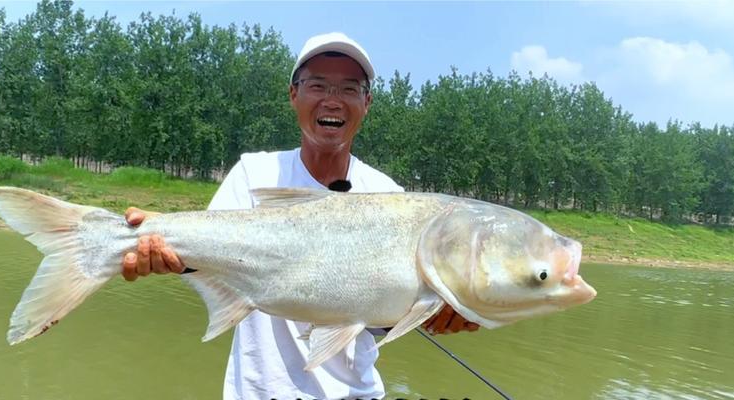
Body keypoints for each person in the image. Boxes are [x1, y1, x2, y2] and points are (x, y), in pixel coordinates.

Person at [120, 32, 478, 400]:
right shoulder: (253, 174)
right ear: (294, 95)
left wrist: (432, 314)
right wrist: (160, 243)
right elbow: (205, 260)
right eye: (318, 85)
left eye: (349, 89)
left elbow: (380, 321)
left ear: (367, 102)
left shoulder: (391, 198)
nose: (333, 101)